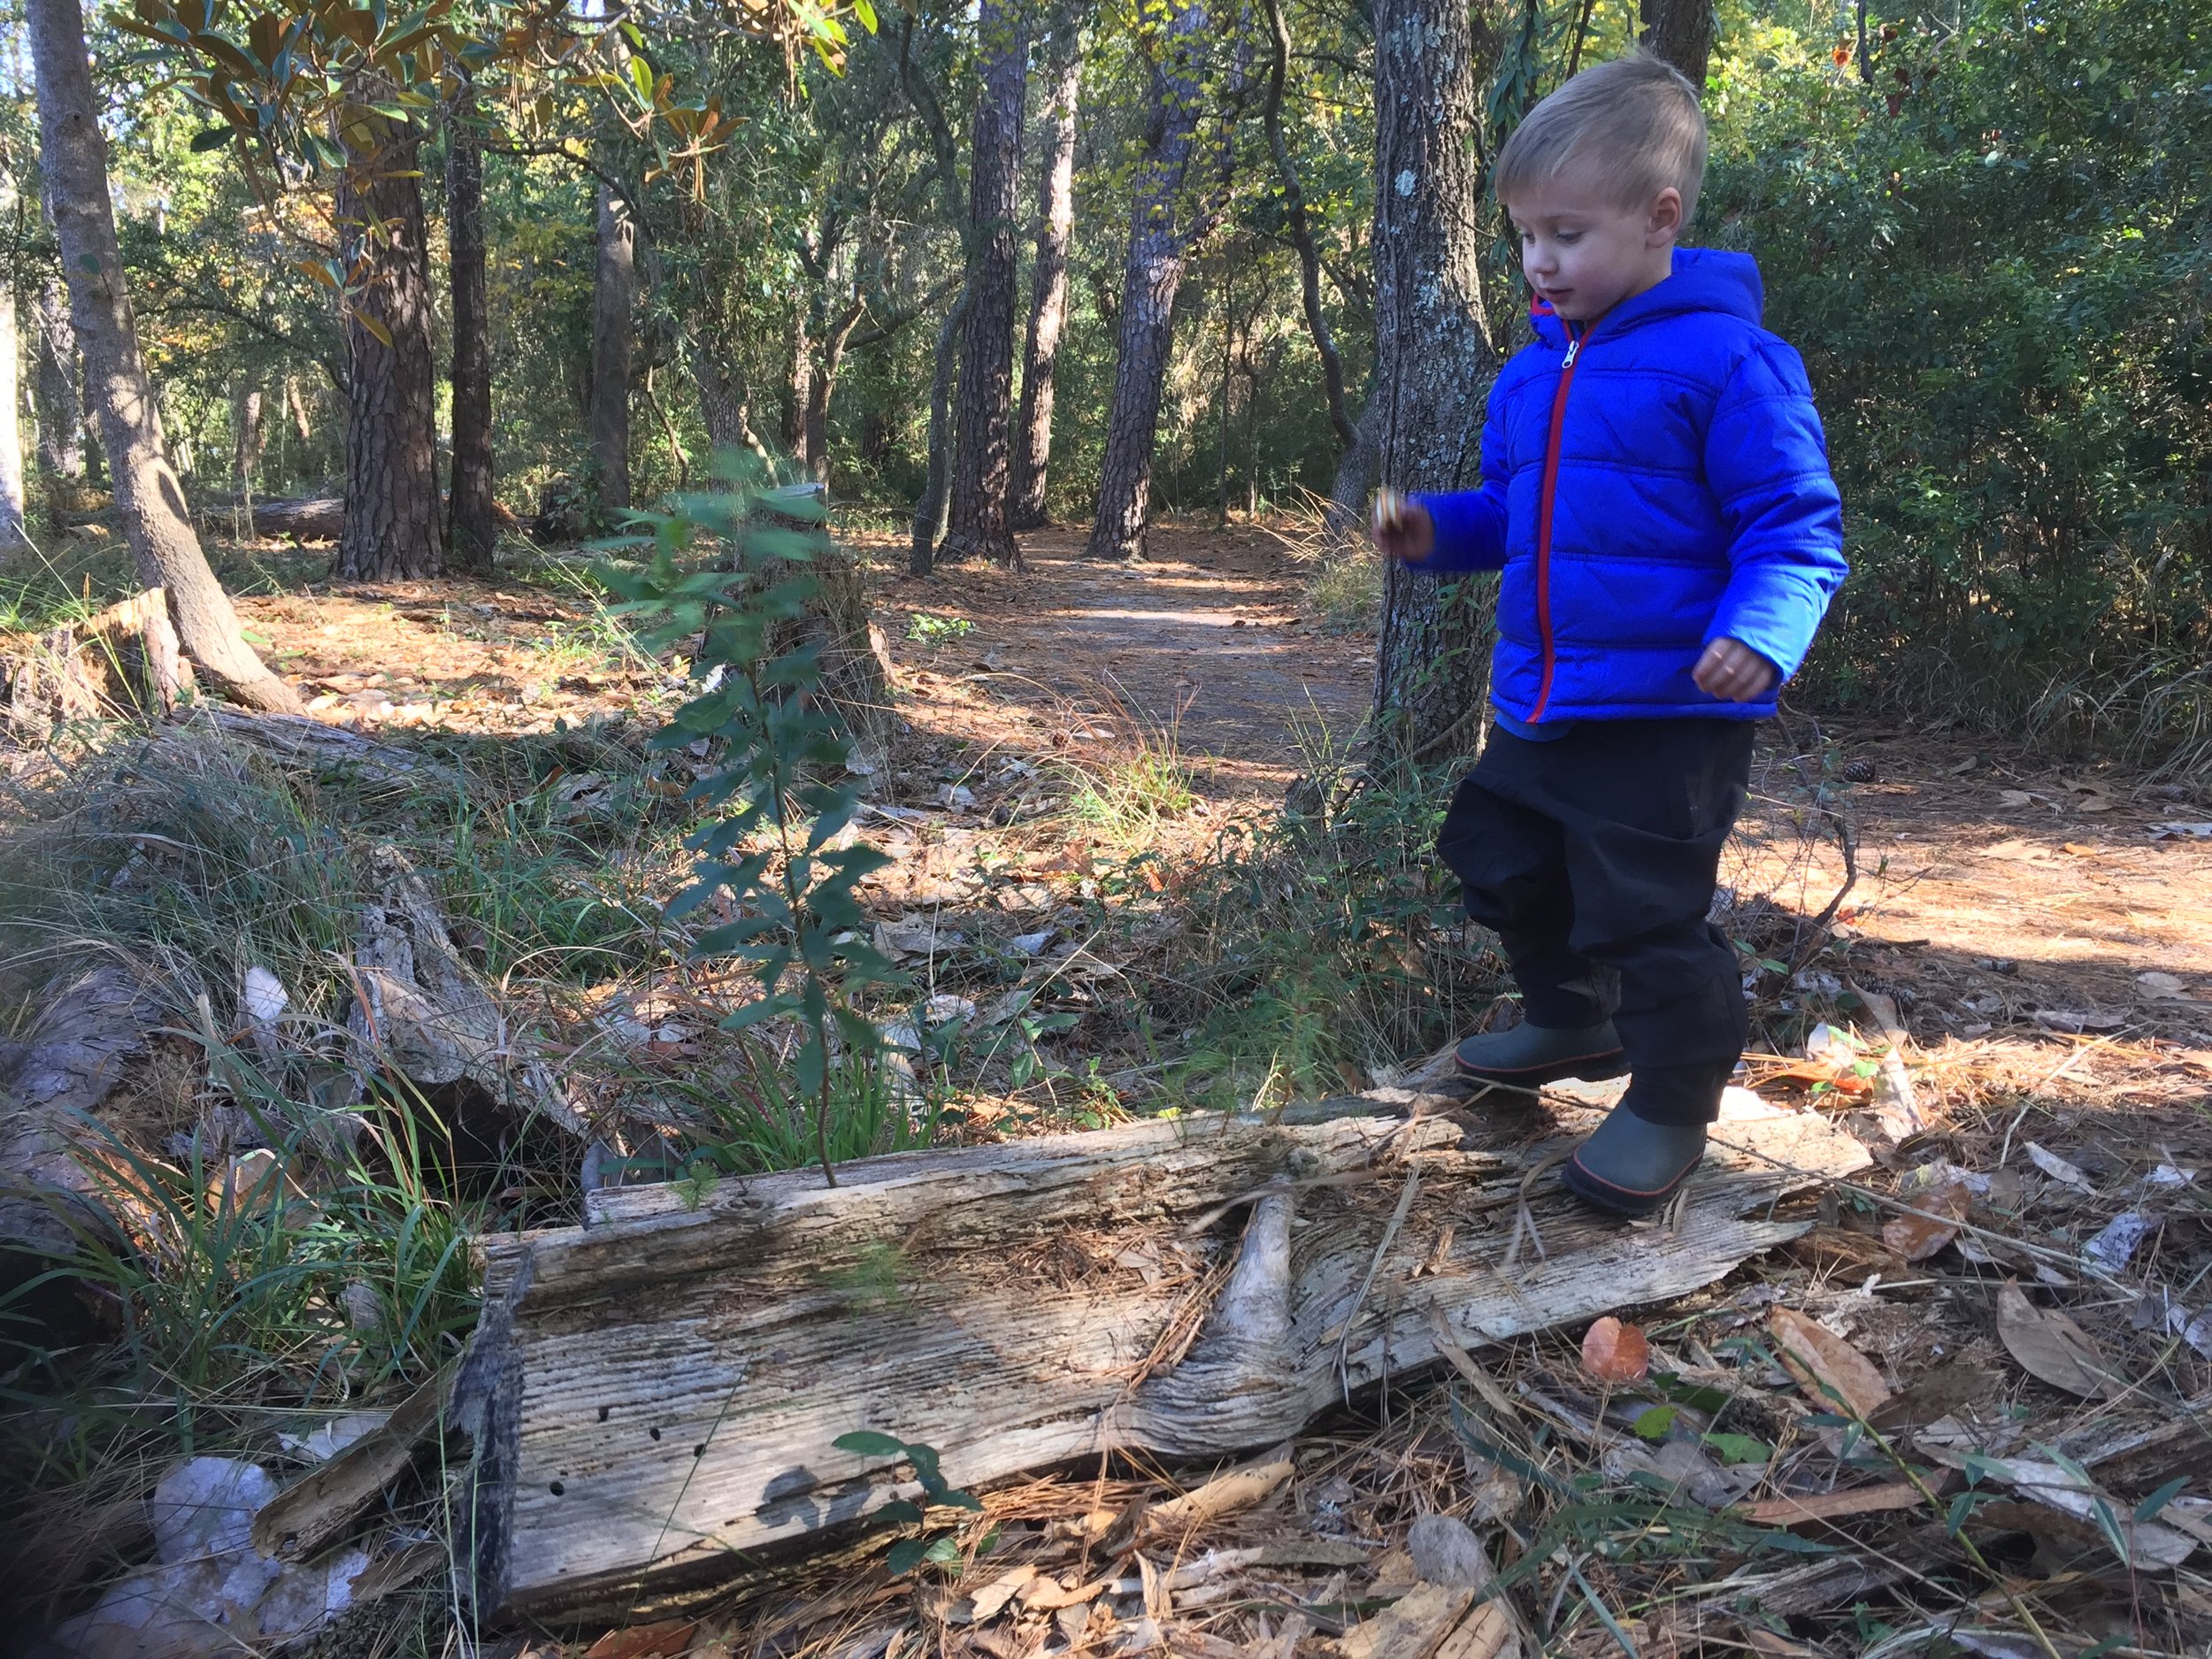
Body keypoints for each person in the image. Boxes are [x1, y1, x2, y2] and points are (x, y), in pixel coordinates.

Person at [1371, 50, 1847, 1216]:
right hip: (1543, 696)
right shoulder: (1532, 376)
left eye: (1567, 234)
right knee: (1499, 856)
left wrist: (1764, 633)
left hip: (1669, 712)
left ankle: (1675, 1103)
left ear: (1658, 219)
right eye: (1528, 235)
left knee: (1647, 911)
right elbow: (1512, 517)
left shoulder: (1731, 362)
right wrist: (1435, 531)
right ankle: (1572, 1020)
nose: (1541, 260)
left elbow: (1796, 525)